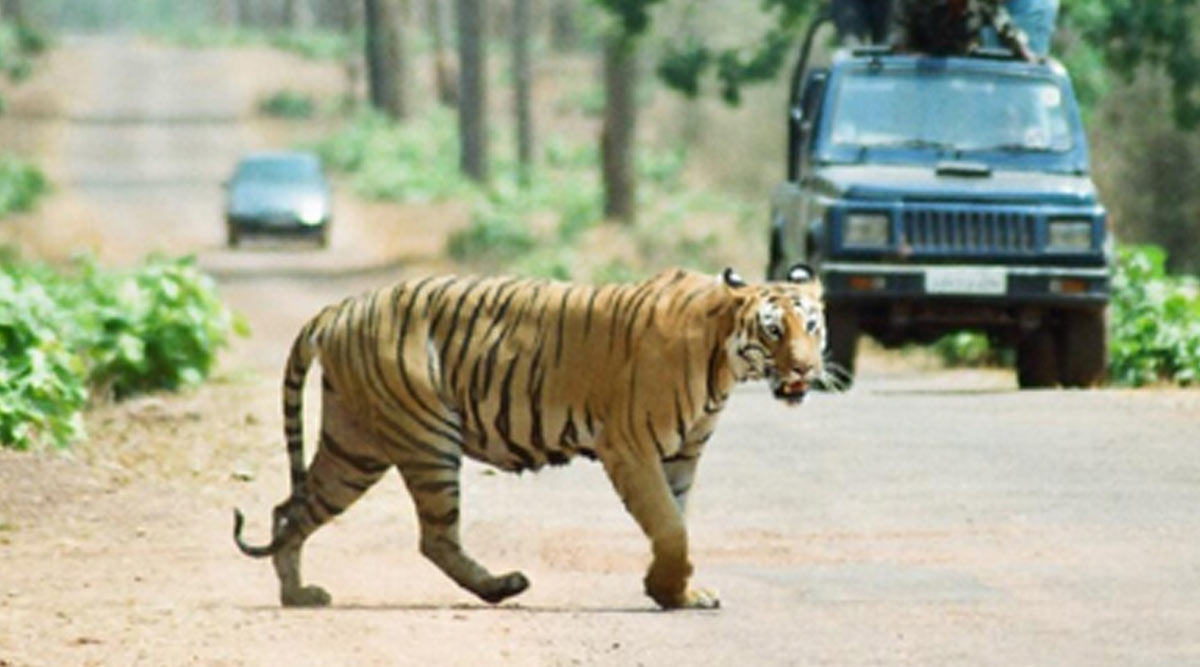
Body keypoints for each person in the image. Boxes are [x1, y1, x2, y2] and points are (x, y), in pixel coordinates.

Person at [892, 0, 1037, 62]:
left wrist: (1022, 49)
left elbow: (1004, 24)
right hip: (919, 76)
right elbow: (899, 40)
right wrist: (910, 54)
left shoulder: (982, 3)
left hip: (964, 71)